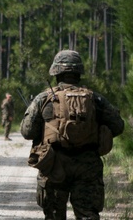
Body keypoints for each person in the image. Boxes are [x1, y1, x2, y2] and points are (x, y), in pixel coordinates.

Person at [20, 50, 124, 220]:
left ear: (56, 73)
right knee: (88, 215)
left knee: (54, 216)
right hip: (88, 166)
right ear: (78, 73)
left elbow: (27, 132)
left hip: (54, 165)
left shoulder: (43, 98)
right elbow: (118, 126)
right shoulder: (95, 99)